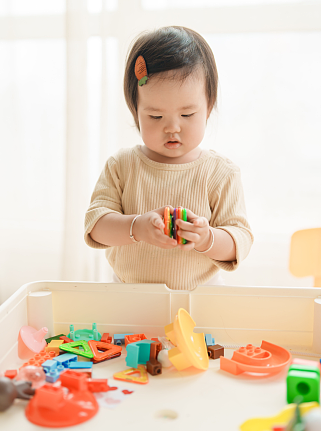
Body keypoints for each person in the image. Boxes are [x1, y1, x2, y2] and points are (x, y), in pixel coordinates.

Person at [84, 26, 254, 290]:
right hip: (128, 295)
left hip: (200, 299)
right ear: (135, 111)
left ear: (208, 108)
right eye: (155, 116)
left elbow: (239, 240)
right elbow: (95, 226)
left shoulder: (219, 173)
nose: (172, 127)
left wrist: (207, 238)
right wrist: (136, 227)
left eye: (187, 115)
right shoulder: (122, 166)